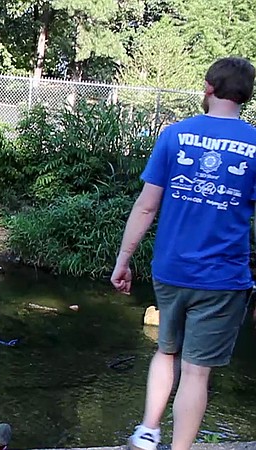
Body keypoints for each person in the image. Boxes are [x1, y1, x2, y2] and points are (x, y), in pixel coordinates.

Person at [110, 56, 256, 450]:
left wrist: (124, 260)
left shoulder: (175, 135)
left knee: (165, 351)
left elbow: (146, 206)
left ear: (209, 88)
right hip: (225, 279)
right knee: (196, 374)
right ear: (246, 94)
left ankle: (147, 432)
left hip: (172, 270)